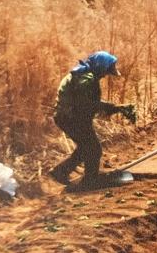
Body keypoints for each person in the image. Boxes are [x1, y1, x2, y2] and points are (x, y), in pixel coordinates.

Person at [49, 51, 134, 186]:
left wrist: (114, 108)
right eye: (106, 71)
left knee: (86, 147)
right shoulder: (87, 80)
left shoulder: (84, 74)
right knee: (93, 149)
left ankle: (61, 172)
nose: (105, 75)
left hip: (68, 116)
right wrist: (116, 108)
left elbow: (89, 103)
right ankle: (90, 180)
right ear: (100, 66)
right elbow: (88, 104)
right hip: (71, 118)